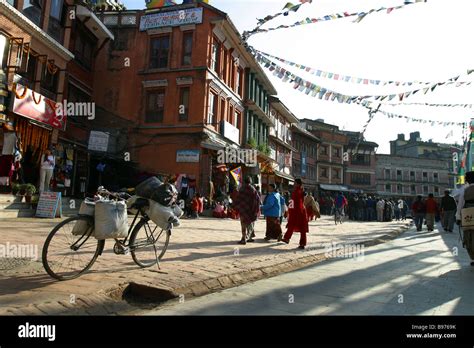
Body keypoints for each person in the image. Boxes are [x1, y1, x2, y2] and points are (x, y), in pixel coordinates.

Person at [281, 178, 309, 249]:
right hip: (301, 211)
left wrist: (289, 210)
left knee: (292, 225)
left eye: (295, 183)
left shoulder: (297, 192)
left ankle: (287, 238)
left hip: (297, 211)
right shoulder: (300, 191)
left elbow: (292, 202)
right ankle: (301, 243)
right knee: (300, 227)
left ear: (298, 184)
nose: (294, 184)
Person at [234, 176, 261, 245]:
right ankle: (248, 237)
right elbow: (257, 199)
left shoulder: (242, 189)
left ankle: (243, 238)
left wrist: (236, 206)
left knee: (243, 224)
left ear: (244, 181)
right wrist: (255, 209)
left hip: (243, 209)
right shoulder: (253, 189)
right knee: (250, 224)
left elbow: (238, 198)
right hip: (251, 210)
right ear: (250, 181)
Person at [455, 171, 474, 266]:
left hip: (468, 217)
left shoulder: (464, 189)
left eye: (466, 178)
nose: (465, 179)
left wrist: (458, 217)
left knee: (468, 237)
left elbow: (460, 205)